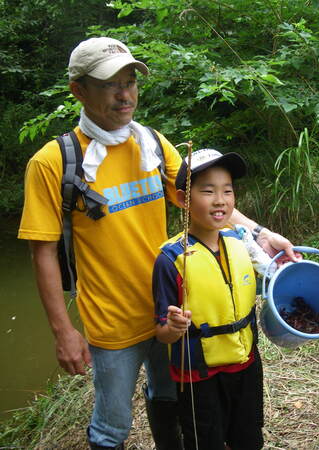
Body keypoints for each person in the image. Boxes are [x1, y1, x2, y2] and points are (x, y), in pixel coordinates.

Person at [18, 37, 295, 450]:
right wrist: (63, 332)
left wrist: (260, 233)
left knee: (170, 402)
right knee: (112, 425)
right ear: (79, 90)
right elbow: (43, 252)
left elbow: (199, 198)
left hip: (171, 309)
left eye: (130, 82)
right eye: (111, 84)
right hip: (113, 320)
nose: (125, 94)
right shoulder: (53, 162)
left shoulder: (149, 142)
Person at [154, 148, 264, 449]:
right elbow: (162, 333)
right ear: (182, 199)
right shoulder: (170, 259)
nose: (220, 200)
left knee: (250, 438)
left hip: (246, 364)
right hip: (199, 377)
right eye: (208, 191)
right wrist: (173, 328)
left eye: (227, 191)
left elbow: (273, 272)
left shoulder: (239, 242)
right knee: (206, 442)